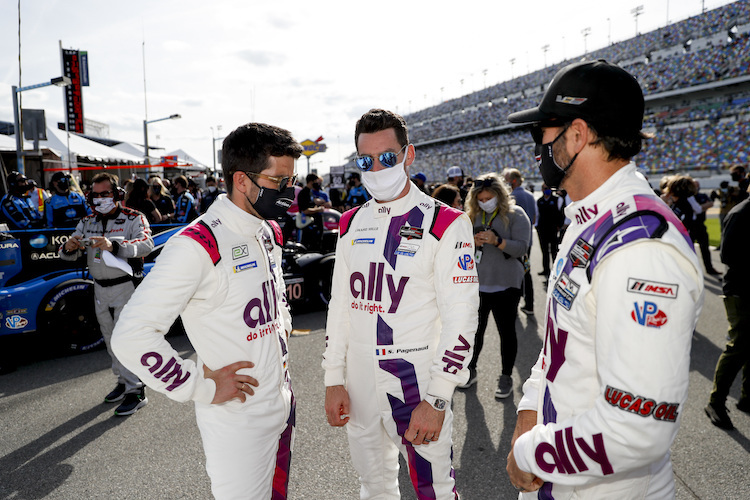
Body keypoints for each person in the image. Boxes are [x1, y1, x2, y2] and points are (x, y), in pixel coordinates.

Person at [506, 59, 704, 498]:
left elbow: (637, 430)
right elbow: (563, 340)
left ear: (577, 134)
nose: (540, 146)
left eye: (544, 132)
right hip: (563, 471)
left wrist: (530, 453)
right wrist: (531, 403)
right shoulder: (590, 216)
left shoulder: (642, 247)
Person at [111, 123, 301, 499]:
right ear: (241, 181)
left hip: (281, 402)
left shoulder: (269, 232)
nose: (289, 192)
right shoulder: (197, 244)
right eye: (279, 180)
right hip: (237, 418)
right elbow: (131, 335)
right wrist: (200, 386)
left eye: (292, 180)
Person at [323, 108, 478, 499]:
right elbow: (340, 306)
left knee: (435, 490)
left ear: (409, 154)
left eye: (388, 157)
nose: (377, 167)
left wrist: (439, 396)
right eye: (366, 161)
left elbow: (462, 321)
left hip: (415, 383)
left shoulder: (446, 223)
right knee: (373, 487)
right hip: (358, 386)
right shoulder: (349, 223)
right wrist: (333, 379)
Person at [58, 173, 154, 416]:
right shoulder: (87, 220)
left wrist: (115, 246)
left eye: (105, 194)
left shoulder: (134, 217)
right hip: (99, 287)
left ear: (117, 194)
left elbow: (146, 244)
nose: (100, 199)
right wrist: (68, 247)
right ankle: (123, 381)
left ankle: (137, 389)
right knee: (110, 338)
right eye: (96, 195)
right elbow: (67, 251)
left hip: (126, 286)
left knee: (126, 339)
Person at [457, 174, 530, 397]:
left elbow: (521, 248)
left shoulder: (516, 215)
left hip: (507, 284)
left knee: (506, 332)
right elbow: (459, 248)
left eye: (489, 197)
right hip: (478, 284)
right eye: (481, 198)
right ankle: (470, 369)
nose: (485, 201)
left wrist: (498, 241)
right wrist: (472, 241)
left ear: (499, 196)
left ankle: (506, 375)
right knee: (474, 332)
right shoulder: (471, 216)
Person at [705, 186, 750, 430]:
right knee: (738, 345)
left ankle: (747, 398)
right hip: (741, 291)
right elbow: (728, 254)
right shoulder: (741, 212)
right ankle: (716, 402)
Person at [503, 168, 536, 316]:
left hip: (513, 243)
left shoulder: (511, 197)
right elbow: (535, 218)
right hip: (527, 242)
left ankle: (513, 305)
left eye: (507, 179)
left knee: (514, 272)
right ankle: (529, 304)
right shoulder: (530, 196)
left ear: (513, 181)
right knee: (526, 272)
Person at [535, 183, 565, 277]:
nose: (546, 190)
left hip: (553, 229)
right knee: (544, 251)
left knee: (554, 250)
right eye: (544, 188)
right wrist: (537, 226)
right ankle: (546, 270)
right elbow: (537, 214)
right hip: (542, 229)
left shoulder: (557, 199)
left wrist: (559, 226)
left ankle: (555, 270)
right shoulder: (539, 201)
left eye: (547, 188)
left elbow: (562, 213)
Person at [297, 173, 329, 251]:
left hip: (316, 224)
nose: (317, 183)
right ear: (311, 181)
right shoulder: (303, 193)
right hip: (308, 225)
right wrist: (318, 209)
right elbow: (305, 210)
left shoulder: (311, 192)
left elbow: (312, 205)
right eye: (315, 181)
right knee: (309, 247)